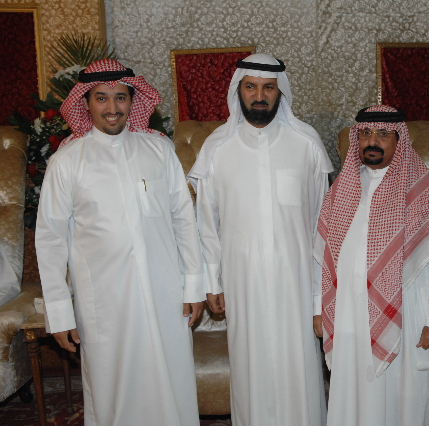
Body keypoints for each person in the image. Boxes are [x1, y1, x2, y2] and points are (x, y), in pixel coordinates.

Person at [36, 59, 204, 426]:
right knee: (113, 392)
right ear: (86, 103)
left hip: (165, 295)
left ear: (133, 100)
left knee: (171, 384)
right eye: (101, 98)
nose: (112, 108)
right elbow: (50, 241)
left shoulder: (158, 149)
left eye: (120, 98)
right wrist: (60, 313)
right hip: (104, 304)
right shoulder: (67, 162)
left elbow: (183, 218)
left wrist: (194, 285)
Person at [188, 53, 332, 426]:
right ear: (239, 90)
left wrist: (320, 295)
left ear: (281, 92)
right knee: (250, 365)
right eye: (251, 87)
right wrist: (212, 280)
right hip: (242, 280)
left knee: (298, 365)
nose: (260, 95)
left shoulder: (306, 143)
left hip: (296, 279)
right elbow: (207, 222)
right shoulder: (217, 147)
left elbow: (322, 224)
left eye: (269, 87)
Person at [315, 105, 429, 426]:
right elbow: (320, 260)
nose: (373, 141)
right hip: (348, 315)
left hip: (408, 317)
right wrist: (318, 309)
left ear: (400, 141)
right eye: (366, 133)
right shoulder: (340, 193)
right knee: (354, 398)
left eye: (383, 134)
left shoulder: (425, 195)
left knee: (404, 402)